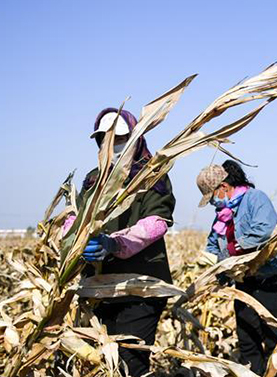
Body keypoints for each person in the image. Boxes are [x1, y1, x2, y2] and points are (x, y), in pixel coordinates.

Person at [68, 109, 175, 377]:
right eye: (105, 139)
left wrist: (114, 244)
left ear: (136, 138)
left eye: (119, 138)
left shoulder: (152, 175)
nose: (112, 144)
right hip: (97, 289)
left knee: (129, 364)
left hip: (139, 288)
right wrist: (76, 240)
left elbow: (157, 222)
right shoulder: (94, 179)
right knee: (101, 362)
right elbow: (75, 217)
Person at [197, 161, 277, 375]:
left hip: (270, 275)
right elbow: (213, 244)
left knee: (275, 337)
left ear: (223, 186)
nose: (214, 201)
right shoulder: (223, 214)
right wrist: (214, 266)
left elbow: (265, 230)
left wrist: (234, 249)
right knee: (247, 339)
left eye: (213, 195)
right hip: (244, 280)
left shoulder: (254, 198)